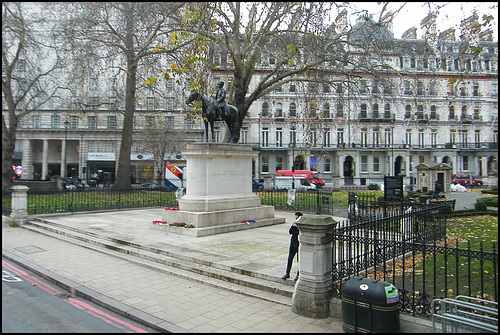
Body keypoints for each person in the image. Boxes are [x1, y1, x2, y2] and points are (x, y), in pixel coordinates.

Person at [281, 211, 302, 281]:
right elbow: (290, 232)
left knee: (299, 260)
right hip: (293, 243)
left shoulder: (302, 226)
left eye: (297, 217)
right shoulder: (294, 224)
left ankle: (298, 274)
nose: (296, 218)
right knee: (290, 258)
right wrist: (293, 226)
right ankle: (287, 272)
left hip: (299, 244)